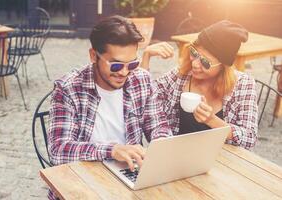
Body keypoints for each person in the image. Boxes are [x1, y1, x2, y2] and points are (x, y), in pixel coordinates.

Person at [47, 15, 172, 199]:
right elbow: (58, 151)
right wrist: (112, 150)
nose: (124, 72)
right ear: (93, 56)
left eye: (132, 63)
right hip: (82, 182)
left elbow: (158, 125)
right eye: (115, 65)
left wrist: (161, 144)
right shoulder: (68, 89)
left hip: (128, 178)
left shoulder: (141, 79)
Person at [141, 20, 258, 150]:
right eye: (194, 53)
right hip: (177, 154)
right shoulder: (181, 75)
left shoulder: (243, 85)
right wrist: (146, 56)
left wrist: (212, 120)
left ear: (223, 66)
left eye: (205, 62)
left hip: (221, 159)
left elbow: (250, 138)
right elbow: (145, 97)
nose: (195, 64)